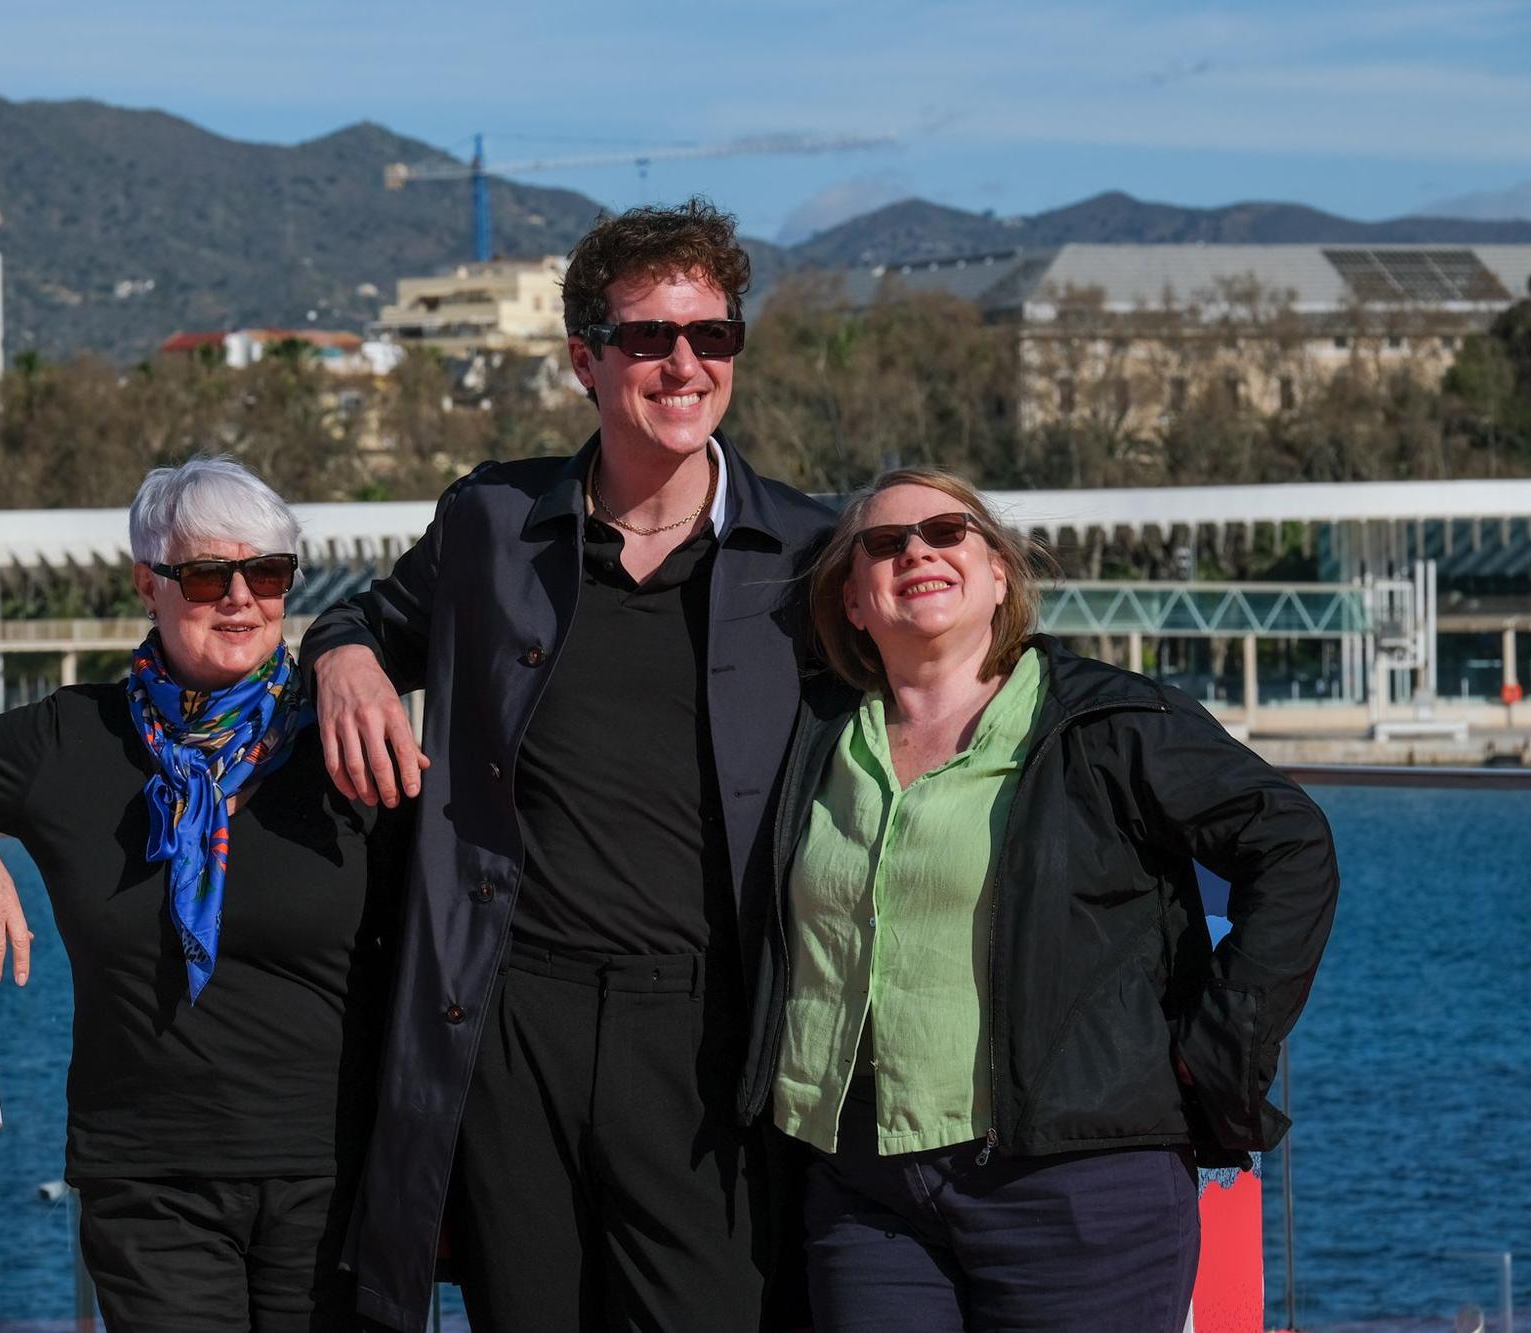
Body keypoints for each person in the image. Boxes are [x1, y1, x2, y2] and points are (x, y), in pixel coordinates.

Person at [304, 198, 831, 1333]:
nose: (683, 364)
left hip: (705, 1034)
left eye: (711, 335)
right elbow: (362, 621)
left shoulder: (806, 552)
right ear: (583, 360)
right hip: (508, 1020)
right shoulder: (492, 518)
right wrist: (342, 657)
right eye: (648, 337)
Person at [741, 466, 1340, 1332]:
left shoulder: (1107, 724)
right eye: (883, 543)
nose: (917, 550)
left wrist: (1215, 1048)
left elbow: (1292, 847)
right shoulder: (816, 740)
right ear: (854, 602)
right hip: (864, 1190)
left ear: (999, 576)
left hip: (1076, 1191)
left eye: (949, 533)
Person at [0, 456, 405, 1332]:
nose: (240, 597)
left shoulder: (346, 741)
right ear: (147, 583)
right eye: (206, 573)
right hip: (145, 1182)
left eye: (267, 572)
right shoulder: (69, 740)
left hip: (335, 1177)